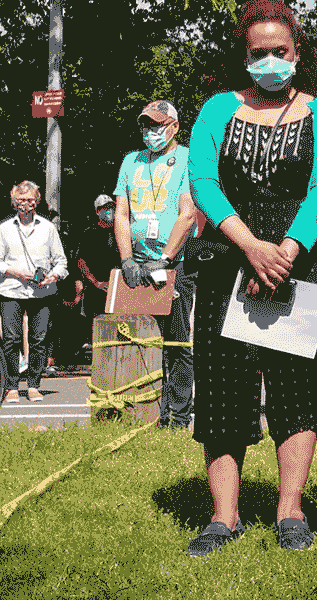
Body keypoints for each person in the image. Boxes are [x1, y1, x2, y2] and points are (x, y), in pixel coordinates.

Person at [186, 0, 317, 556]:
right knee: (222, 394)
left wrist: (284, 250)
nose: (270, 61)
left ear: (298, 51)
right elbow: (204, 185)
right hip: (227, 262)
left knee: (297, 392)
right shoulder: (216, 109)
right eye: (259, 52)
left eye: (280, 50)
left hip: (300, 265)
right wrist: (251, 247)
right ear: (244, 56)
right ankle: (223, 516)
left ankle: (290, 510)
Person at [115, 100, 198, 431]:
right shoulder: (130, 162)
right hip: (137, 265)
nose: (151, 132)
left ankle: (178, 416)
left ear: (174, 126)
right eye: (146, 126)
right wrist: (126, 258)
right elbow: (121, 214)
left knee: (177, 343)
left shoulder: (187, 159)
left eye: (157, 125)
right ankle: (148, 412)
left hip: (174, 265)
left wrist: (165, 258)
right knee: (143, 344)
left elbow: (187, 212)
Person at [0, 180, 68, 404]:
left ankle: (34, 385)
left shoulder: (48, 228)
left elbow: (61, 262)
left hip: (42, 293)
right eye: (21, 200)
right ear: (13, 203)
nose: (26, 204)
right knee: (11, 339)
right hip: (10, 291)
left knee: (39, 340)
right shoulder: (5, 228)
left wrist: (53, 276)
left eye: (30, 199)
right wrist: (17, 273)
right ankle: (11, 386)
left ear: (37, 201)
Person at [76, 194, 118, 319]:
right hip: (96, 291)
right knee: (96, 326)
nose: (109, 211)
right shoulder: (89, 233)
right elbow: (81, 261)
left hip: (117, 289)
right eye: (105, 208)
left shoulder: (120, 232)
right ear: (97, 211)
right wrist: (95, 282)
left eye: (111, 208)